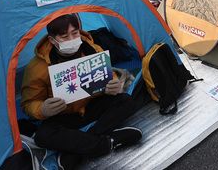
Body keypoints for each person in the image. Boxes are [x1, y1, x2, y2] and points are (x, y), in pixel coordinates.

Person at [21, 14, 141, 169]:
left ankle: (77, 150)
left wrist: (114, 84)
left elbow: (108, 76)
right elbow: (28, 103)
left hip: (91, 105)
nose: (72, 39)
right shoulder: (37, 68)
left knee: (126, 101)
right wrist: (43, 109)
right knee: (43, 135)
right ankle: (107, 142)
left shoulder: (92, 48)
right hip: (63, 116)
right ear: (52, 40)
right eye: (64, 36)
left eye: (75, 33)